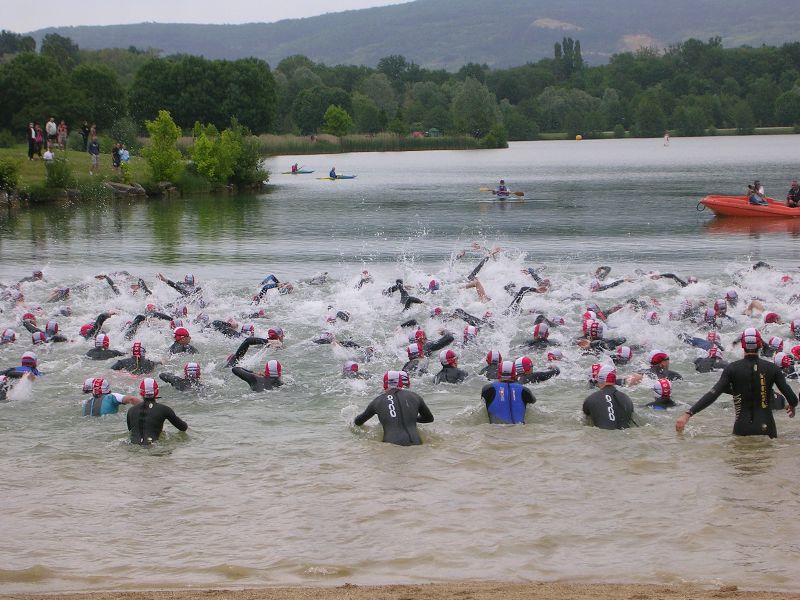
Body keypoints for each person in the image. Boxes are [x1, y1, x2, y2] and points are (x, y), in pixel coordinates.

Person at [676, 328, 798, 438]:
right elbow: (792, 398)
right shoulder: (772, 368)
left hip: (741, 428)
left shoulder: (732, 368)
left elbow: (713, 393)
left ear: (742, 346)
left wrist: (688, 414)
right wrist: (792, 405)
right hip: (767, 429)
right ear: (760, 345)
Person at [353, 370, 433, 446]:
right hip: (417, 443)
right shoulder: (415, 396)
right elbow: (429, 418)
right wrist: (411, 418)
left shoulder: (378, 401)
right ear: (401, 383)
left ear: (384, 385)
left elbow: (358, 422)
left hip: (391, 445)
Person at [127, 378, 188, 446]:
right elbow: (183, 428)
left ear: (141, 392)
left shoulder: (131, 410)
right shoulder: (164, 409)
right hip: (152, 447)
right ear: (157, 392)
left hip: (132, 447)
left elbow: (131, 430)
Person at [582, 365, 635, 429]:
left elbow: (586, 422)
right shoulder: (627, 399)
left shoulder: (591, 399)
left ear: (598, 378)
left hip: (603, 437)